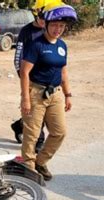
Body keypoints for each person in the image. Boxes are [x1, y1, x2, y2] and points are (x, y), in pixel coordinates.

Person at [19, 4, 77, 181]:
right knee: (32, 134)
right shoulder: (36, 44)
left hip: (56, 94)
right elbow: (24, 72)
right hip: (36, 92)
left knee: (59, 132)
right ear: (46, 24)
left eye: (61, 26)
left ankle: (40, 161)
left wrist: (68, 94)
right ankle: (28, 167)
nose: (58, 29)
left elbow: (63, 71)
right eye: (54, 25)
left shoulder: (62, 46)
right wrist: (25, 99)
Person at [11, 0, 63, 151]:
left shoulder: (52, 32)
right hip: (31, 80)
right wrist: (24, 81)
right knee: (34, 112)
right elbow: (18, 57)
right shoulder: (26, 32)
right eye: (43, 17)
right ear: (36, 14)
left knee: (38, 113)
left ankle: (19, 125)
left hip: (49, 83)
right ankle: (38, 143)